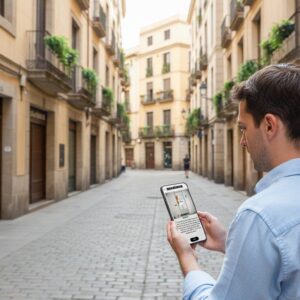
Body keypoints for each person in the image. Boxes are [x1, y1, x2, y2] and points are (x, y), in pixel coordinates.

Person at [167, 64, 300, 299]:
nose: (242, 141)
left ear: (269, 125)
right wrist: (230, 242)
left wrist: (187, 258)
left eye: (243, 128)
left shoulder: (260, 216)